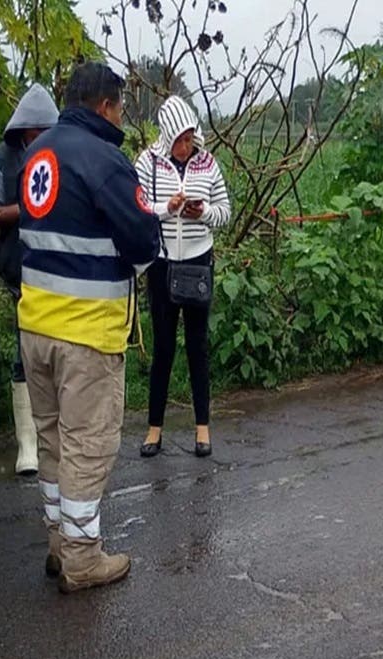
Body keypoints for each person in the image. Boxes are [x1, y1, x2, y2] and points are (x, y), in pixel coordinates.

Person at [17, 62, 160, 593]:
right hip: (85, 333)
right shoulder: (105, 160)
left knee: (53, 442)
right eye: (120, 106)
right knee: (88, 445)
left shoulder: (37, 155)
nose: (121, 115)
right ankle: (81, 558)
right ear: (105, 106)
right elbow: (145, 241)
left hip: (34, 326)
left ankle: (59, 543)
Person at [134, 96, 231, 460]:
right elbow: (138, 207)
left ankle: (202, 428)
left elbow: (225, 212)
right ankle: (154, 429)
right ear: (167, 135)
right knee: (163, 347)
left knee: (197, 345)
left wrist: (202, 212)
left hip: (198, 262)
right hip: (162, 265)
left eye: (191, 138)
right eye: (180, 138)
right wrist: (167, 208)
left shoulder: (207, 164)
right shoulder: (148, 163)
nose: (186, 146)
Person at [0, 84, 60, 477]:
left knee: (59, 352)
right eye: (36, 132)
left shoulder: (65, 155)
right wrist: (25, 209)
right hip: (19, 271)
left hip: (61, 271)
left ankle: (53, 438)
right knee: (25, 351)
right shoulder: (1, 159)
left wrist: (16, 211)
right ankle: (27, 446)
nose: (41, 138)